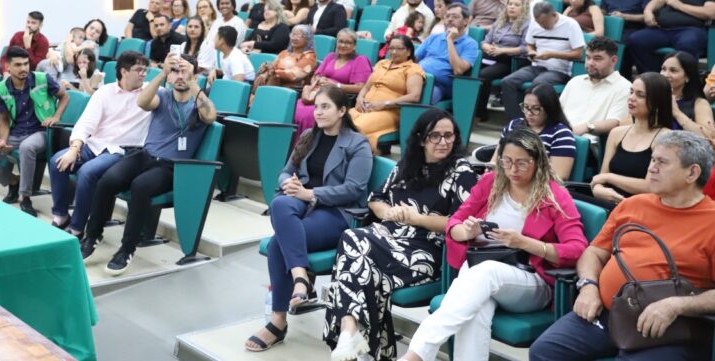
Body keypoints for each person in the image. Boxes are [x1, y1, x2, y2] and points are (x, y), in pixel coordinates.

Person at [400, 127, 588, 361]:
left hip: (531, 281)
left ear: (538, 161)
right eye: (506, 161)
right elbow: (454, 223)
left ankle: (415, 355)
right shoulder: (491, 182)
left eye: (521, 163)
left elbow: (577, 248)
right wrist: (468, 230)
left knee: (484, 273)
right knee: (476, 311)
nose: (512, 170)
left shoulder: (554, 196)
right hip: (483, 275)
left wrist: (525, 243)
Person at [530, 131, 715, 361]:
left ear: (692, 173)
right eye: (652, 159)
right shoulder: (632, 205)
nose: (652, 168)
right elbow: (594, 253)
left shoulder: (711, 222)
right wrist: (588, 286)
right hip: (608, 313)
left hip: (669, 327)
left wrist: (676, 306)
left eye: (662, 162)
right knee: (544, 352)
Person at [324, 109, 478, 361]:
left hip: (425, 251)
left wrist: (417, 218)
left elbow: (459, 222)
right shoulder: (407, 166)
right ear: (421, 139)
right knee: (363, 261)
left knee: (354, 243)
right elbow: (376, 199)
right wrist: (390, 212)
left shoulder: (461, 172)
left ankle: (351, 334)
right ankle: (356, 339)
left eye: (448, 135)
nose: (443, 142)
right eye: (435, 136)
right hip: (386, 240)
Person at [244, 87, 372, 352]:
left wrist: (311, 193)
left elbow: (355, 189)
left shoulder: (357, 144)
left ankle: (277, 322)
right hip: (300, 202)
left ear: (342, 111)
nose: (318, 112)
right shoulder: (308, 136)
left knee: (280, 243)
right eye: (316, 107)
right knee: (280, 202)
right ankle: (301, 276)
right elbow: (285, 171)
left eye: (325, 107)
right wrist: (288, 182)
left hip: (336, 211)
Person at [80, 54, 217, 273]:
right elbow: (142, 102)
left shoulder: (198, 101)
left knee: (140, 186)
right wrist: (162, 73)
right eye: (175, 71)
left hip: (172, 166)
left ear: (194, 74)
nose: (179, 76)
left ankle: (127, 249)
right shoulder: (162, 95)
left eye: (184, 71)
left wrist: (192, 81)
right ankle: (92, 237)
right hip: (145, 155)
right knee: (108, 180)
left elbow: (210, 117)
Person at [48, 51, 152, 236]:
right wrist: (75, 148)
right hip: (95, 144)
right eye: (139, 70)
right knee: (57, 162)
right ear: (124, 71)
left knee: (87, 172)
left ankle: (78, 228)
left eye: (146, 70)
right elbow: (86, 123)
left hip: (121, 151)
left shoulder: (151, 93)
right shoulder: (105, 92)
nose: (144, 74)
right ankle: (61, 215)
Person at [0, 46, 68, 217]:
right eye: (18, 65)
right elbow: (3, 118)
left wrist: (55, 116)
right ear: (7, 67)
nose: (23, 68)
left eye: (26, 64)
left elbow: (64, 96)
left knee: (26, 147)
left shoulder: (42, 79)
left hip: (41, 131)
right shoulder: (1, 88)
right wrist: (3, 140)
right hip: (16, 132)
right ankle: (14, 181)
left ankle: (25, 197)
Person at [588, 73, 673, 207]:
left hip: (638, 206)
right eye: (631, 92)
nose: (631, 98)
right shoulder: (616, 133)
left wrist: (610, 178)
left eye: (640, 95)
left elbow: (651, 186)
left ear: (657, 101)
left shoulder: (665, 138)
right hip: (609, 200)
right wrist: (598, 189)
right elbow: (601, 177)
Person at [627, 0, 715, 74]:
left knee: (687, 44)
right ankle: (653, 78)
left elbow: (709, 13)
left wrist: (679, 5)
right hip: (662, 29)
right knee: (636, 40)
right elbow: (658, 0)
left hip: (690, 30)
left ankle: (684, 82)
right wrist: (648, 12)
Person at [500, 2, 585, 121]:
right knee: (507, 82)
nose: (542, 26)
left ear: (554, 15)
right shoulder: (535, 24)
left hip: (559, 70)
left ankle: (536, 123)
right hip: (537, 66)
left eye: (544, 23)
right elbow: (530, 45)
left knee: (537, 85)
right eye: (539, 23)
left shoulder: (570, 24)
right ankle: (517, 122)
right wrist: (531, 52)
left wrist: (552, 54)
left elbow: (579, 54)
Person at [484, 85, 577, 180]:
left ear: (549, 108)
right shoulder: (513, 125)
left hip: (537, 187)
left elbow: (559, 176)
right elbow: (495, 161)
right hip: (506, 181)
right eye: (526, 107)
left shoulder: (561, 134)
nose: (529, 113)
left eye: (536, 109)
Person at [350, 35, 426, 150]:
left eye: (399, 49)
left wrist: (384, 104)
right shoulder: (382, 64)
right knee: (337, 122)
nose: (394, 52)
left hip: (389, 112)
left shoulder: (413, 68)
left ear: (409, 51)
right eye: (391, 48)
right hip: (365, 107)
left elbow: (414, 96)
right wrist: (359, 98)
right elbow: (366, 87)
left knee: (356, 127)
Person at [295, 30, 372, 134]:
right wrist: (318, 80)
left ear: (354, 46)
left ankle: (308, 144)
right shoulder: (331, 56)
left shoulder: (360, 60)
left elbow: (361, 87)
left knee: (309, 114)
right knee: (294, 109)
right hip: (318, 94)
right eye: (340, 41)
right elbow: (316, 75)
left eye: (348, 42)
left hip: (337, 99)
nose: (343, 45)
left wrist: (337, 85)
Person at [559, 37, 631, 137]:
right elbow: (558, 112)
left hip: (587, 143)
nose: (590, 63)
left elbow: (615, 122)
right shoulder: (575, 82)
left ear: (613, 60)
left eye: (597, 59)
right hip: (560, 136)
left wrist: (586, 127)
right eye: (588, 57)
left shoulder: (625, 87)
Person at [475, 0, 530, 119]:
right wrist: (487, 47)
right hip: (491, 56)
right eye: (510, 4)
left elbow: (525, 48)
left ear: (524, 8)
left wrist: (502, 50)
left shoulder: (526, 25)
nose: (512, 7)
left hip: (510, 61)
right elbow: (484, 41)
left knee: (483, 76)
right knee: (469, 70)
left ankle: (479, 114)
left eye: (516, 5)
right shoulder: (500, 21)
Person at [415, 3, 479, 104]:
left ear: (466, 21)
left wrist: (450, 40)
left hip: (439, 85)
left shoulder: (470, 44)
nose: (450, 19)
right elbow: (414, 58)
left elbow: (458, 70)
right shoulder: (434, 37)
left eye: (455, 17)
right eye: (447, 16)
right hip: (416, 78)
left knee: (421, 97)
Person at [661, 51, 715, 135]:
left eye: (673, 70)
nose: (665, 74)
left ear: (687, 77)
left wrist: (676, 112)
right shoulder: (650, 97)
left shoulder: (699, 103)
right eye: (663, 69)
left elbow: (708, 136)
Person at [252, 24, 317, 91]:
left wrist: (272, 72)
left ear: (308, 39)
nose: (294, 38)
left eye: (299, 36)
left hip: (291, 89)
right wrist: (266, 70)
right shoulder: (284, 52)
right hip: (274, 83)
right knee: (261, 76)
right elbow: (272, 66)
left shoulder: (309, 56)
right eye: (293, 34)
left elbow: (295, 75)